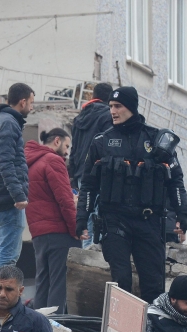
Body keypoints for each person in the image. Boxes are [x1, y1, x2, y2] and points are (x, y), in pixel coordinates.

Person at [75, 86, 187, 304]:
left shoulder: (157, 140)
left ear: (131, 107)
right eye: (110, 106)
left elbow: (176, 180)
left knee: (153, 286)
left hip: (149, 221)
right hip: (114, 220)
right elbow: (89, 185)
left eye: (118, 106)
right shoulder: (101, 142)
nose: (113, 111)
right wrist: (82, 217)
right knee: (121, 282)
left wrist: (182, 215)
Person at [0, 83, 34, 284]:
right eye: (30, 102)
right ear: (22, 101)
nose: (31, 107)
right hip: (7, 200)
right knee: (8, 257)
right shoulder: (9, 123)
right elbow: (7, 163)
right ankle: (1, 301)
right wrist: (18, 195)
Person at [25, 127, 79, 313]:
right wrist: (76, 230)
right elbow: (65, 200)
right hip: (59, 231)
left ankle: (38, 326)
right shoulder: (54, 161)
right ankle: (56, 325)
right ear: (57, 141)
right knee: (59, 283)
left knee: (43, 282)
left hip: (39, 232)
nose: (67, 152)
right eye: (67, 146)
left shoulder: (30, 162)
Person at [68, 82, 113, 248]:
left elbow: (74, 150)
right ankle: (94, 255)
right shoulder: (107, 116)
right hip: (98, 170)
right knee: (98, 214)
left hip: (81, 173)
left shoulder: (79, 118)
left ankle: (86, 250)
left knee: (85, 214)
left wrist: (72, 175)